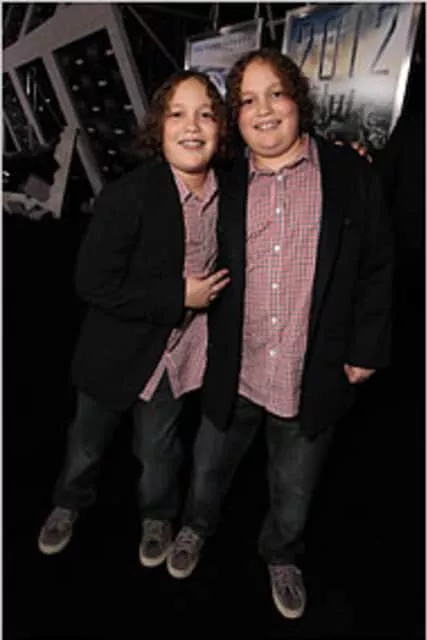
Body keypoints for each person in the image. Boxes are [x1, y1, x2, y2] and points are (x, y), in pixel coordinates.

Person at [165, 49, 393, 620]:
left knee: (294, 488)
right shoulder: (224, 180)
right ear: (235, 117)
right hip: (235, 366)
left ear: (298, 100)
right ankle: (196, 526)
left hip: (310, 369)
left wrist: (366, 347)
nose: (263, 110)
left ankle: (282, 553)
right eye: (247, 100)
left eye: (276, 94)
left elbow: (377, 265)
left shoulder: (349, 174)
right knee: (208, 467)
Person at [37, 70, 230, 567]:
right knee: (86, 444)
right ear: (158, 127)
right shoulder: (129, 195)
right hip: (115, 352)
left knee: (158, 448)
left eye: (206, 114)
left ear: (222, 128)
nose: (192, 126)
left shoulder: (232, 193)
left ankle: (157, 516)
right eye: (177, 114)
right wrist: (179, 295)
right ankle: (67, 503)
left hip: (177, 354)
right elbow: (92, 282)